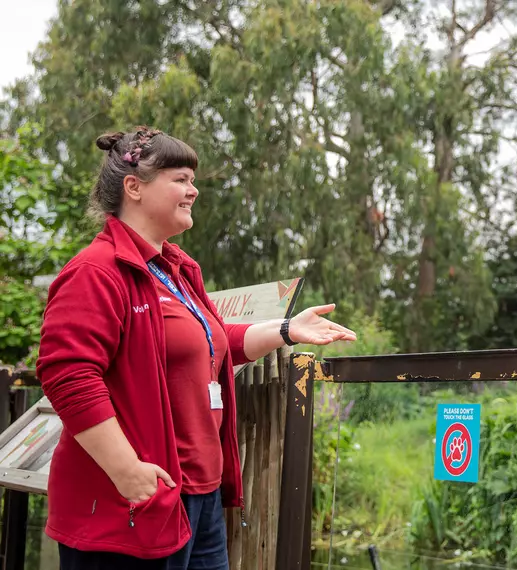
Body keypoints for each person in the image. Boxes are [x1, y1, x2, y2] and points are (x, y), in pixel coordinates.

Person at [36, 127, 357, 570]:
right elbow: (68, 376)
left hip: (198, 497)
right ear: (134, 187)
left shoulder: (176, 270)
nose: (194, 190)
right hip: (133, 502)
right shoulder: (95, 271)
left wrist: (287, 329)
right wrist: (127, 471)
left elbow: (212, 342)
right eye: (181, 179)